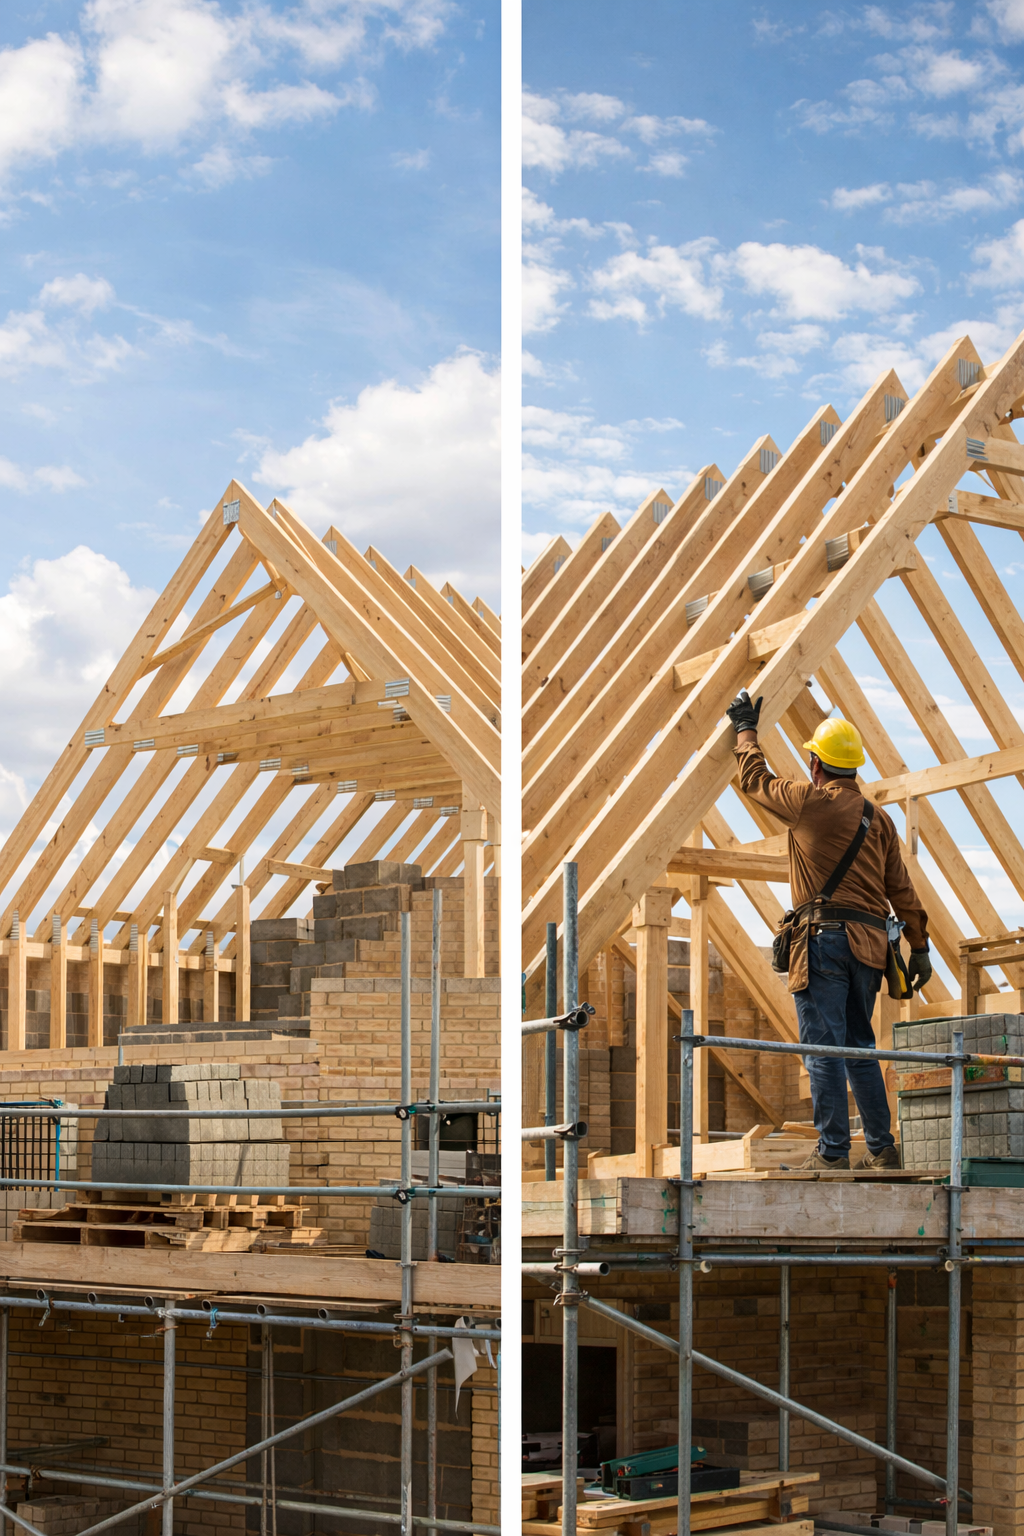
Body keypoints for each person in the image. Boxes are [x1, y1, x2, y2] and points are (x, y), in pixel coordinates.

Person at [725, 690, 932, 1172]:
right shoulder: (878, 819)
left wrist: (746, 731)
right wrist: (919, 946)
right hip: (871, 948)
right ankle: (882, 1149)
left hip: (824, 942)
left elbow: (756, 781)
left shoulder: (809, 802)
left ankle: (833, 1152)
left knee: (822, 1046)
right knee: (859, 1047)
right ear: (855, 768)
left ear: (816, 763)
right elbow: (901, 890)